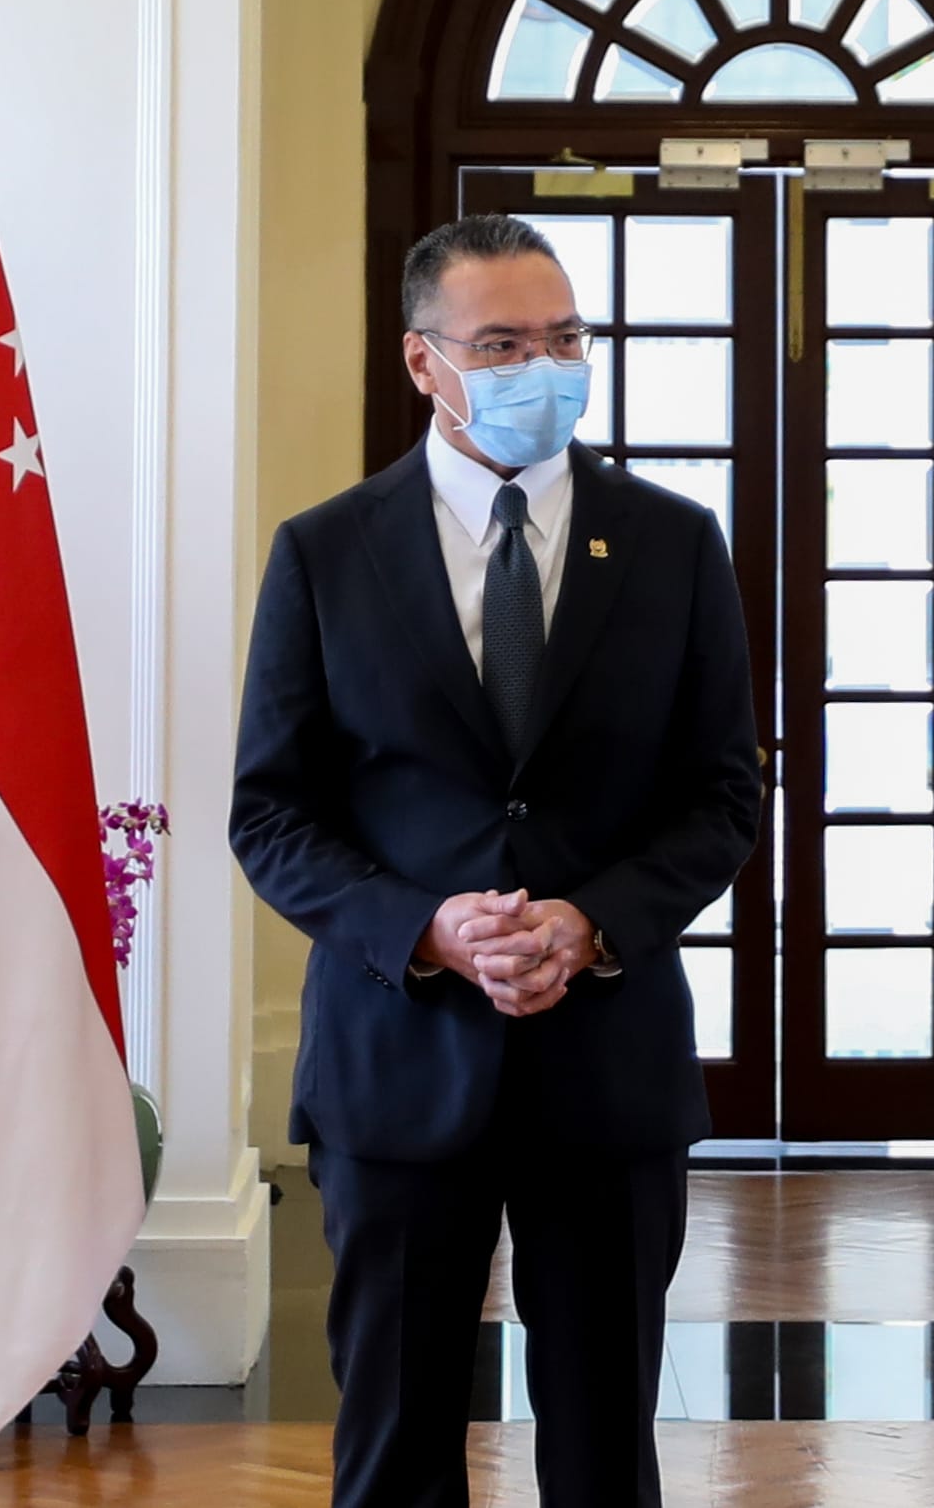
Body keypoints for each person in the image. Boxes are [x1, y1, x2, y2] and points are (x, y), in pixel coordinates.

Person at [231, 214, 763, 1508]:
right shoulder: (325, 553)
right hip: (397, 1065)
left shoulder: (675, 543)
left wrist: (592, 919)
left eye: (567, 336)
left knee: (601, 1450)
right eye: (505, 342)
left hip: (608, 1065)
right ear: (424, 362)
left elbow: (722, 797)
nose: (548, 364)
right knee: (399, 1445)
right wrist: (426, 927)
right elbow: (272, 812)